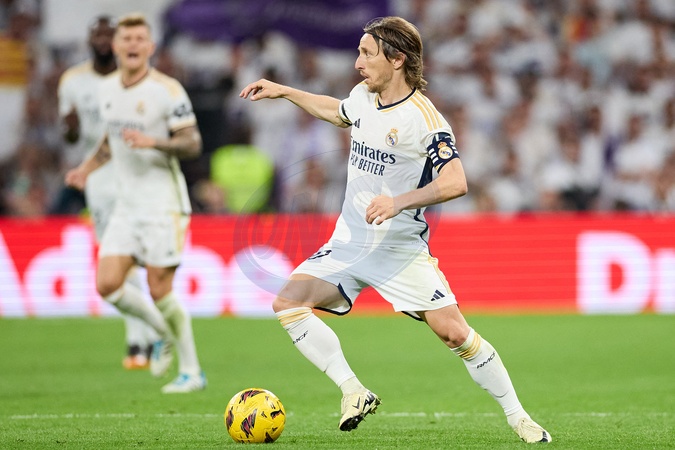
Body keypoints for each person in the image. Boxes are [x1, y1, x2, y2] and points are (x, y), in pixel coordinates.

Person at [240, 16, 551, 443]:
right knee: (288, 302)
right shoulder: (362, 96)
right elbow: (338, 112)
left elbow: (456, 182)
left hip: (399, 251)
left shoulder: (426, 119)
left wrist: (398, 202)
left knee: (455, 333)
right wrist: (286, 91)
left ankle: (519, 417)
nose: (357, 63)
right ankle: (353, 390)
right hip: (349, 243)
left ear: (397, 59)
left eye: (367, 54)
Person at [65, 13, 205, 394]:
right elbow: (111, 139)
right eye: (126, 39)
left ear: (150, 47)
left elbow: (192, 142)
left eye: (139, 39)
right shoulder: (107, 90)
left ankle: (192, 371)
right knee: (107, 284)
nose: (132, 44)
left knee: (160, 290)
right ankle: (162, 332)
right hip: (126, 206)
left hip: (163, 204)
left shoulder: (168, 90)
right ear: (115, 46)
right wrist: (86, 169)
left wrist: (154, 142)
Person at [57, 15, 158, 370]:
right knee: (117, 262)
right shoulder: (73, 81)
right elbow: (71, 137)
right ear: (91, 40)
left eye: (108, 34)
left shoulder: (134, 80)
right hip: (98, 182)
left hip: (137, 174)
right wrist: (70, 129)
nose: (102, 40)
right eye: (97, 34)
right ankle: (143, 337)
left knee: (137, 260)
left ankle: (143, 338)